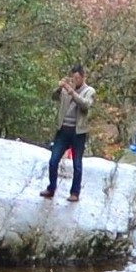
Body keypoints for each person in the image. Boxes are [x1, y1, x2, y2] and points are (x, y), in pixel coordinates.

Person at [40, 64, 95, 203]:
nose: (75, 80)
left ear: (83, 77)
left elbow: (85, 105)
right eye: (73, 77)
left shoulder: (89, 91)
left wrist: (72, 92)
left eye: (77, 78)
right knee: (53, 160)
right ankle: (51, 188)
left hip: (78, 132)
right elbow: (54, 97)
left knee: (77, 163)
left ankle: (75, 193)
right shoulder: (66, 89)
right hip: (63, 130)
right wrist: (60, 88)